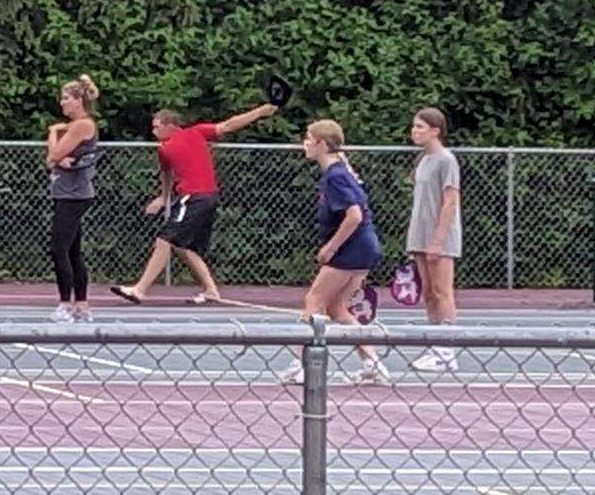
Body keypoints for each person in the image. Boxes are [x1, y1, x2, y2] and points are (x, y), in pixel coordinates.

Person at [110, 99, 281, 306]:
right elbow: (166, 174)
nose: (153, 132)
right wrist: (164, 198)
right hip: (205, 198)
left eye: (156, 127)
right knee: (184, 247)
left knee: (165, 240)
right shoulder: (164, 149)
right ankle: (211, 290)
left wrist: (260, 111)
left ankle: (139, 290)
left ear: (170, 125)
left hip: (194, 197)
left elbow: (228, 125)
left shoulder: (196, 132)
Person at [286, 118, 387, 386]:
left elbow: (353, 215)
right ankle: (372, 363)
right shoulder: (340, 171)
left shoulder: (335, 176)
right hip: (364, 245)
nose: (304, 143)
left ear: (321, 144)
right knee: (337, 308)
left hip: (352, 247)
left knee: (314, 300)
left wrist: (331, 247)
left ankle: (302, 364)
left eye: (308, 138)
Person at [406, 106, 463, 372]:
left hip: (440, 236)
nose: (414, 131)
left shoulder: (446, 160)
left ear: (435, 131)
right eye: (414, 126)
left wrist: (438, 240)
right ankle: (434, 343)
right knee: (428, 292)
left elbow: (450, 202)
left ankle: (447, 348)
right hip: (420, 233)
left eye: (420, 127)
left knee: (442, 291)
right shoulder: (424, 160)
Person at [44, 76, 103, 321]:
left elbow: (53, 155)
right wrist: (57, 157)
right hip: (66, 192)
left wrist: (52, 133)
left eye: (66, 98)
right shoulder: (75, 126)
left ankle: (65, 305)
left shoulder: (81, 125)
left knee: (59, 249)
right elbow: (56, 159)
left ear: (79, 101)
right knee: (73, 250)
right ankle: (82, 305)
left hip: (73, 194)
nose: (62, 103)